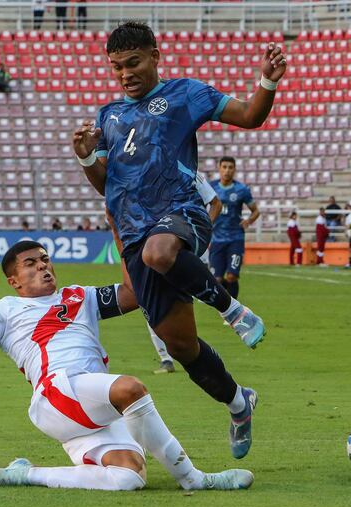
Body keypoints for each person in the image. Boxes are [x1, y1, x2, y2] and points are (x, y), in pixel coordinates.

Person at [0, 240, 253, 491]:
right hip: (55, 393)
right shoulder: (5, 310)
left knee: (129, 477)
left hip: (89, 406)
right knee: (131, 389)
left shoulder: (79, 296)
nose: (43, 266)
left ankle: (25, 474)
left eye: (45, 260)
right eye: (31, 264)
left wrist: (122, 232)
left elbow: (134, 292)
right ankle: (195, 479)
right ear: (14, 280)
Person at [72, 21, 286, 458]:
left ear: (155, 55)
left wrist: (266, 80)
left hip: (181, 213)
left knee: (160, 251)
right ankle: (239, 403)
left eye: (133, 63)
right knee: (180, 345)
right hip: (134, 239)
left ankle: (233, 311)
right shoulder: (108, 115)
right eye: (116, 67)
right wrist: (86, 156)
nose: (125, 74)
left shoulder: (185, 94)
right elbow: (107, 185)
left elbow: (249, 115)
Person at [147, 171, 222, 375]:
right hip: (159, 249)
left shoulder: (191, 173)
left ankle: (231, 315)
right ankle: (166, 359)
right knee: (151, 305)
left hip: (186, 248)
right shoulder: (148, 172)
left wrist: (203, 228)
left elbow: (215, 203)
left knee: (184, 306)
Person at [208, 157, 260, 299]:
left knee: (231, 276)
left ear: (234, 169)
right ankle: (227, 300)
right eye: (224, 167)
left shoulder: (241, 189)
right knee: (217, 280)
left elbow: (256, 211)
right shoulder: (210, 187)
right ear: (219, 168)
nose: (227, 170)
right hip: (217, 239)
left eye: (230, 167)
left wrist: (248, 221)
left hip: (235, 238)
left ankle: (233, 313)